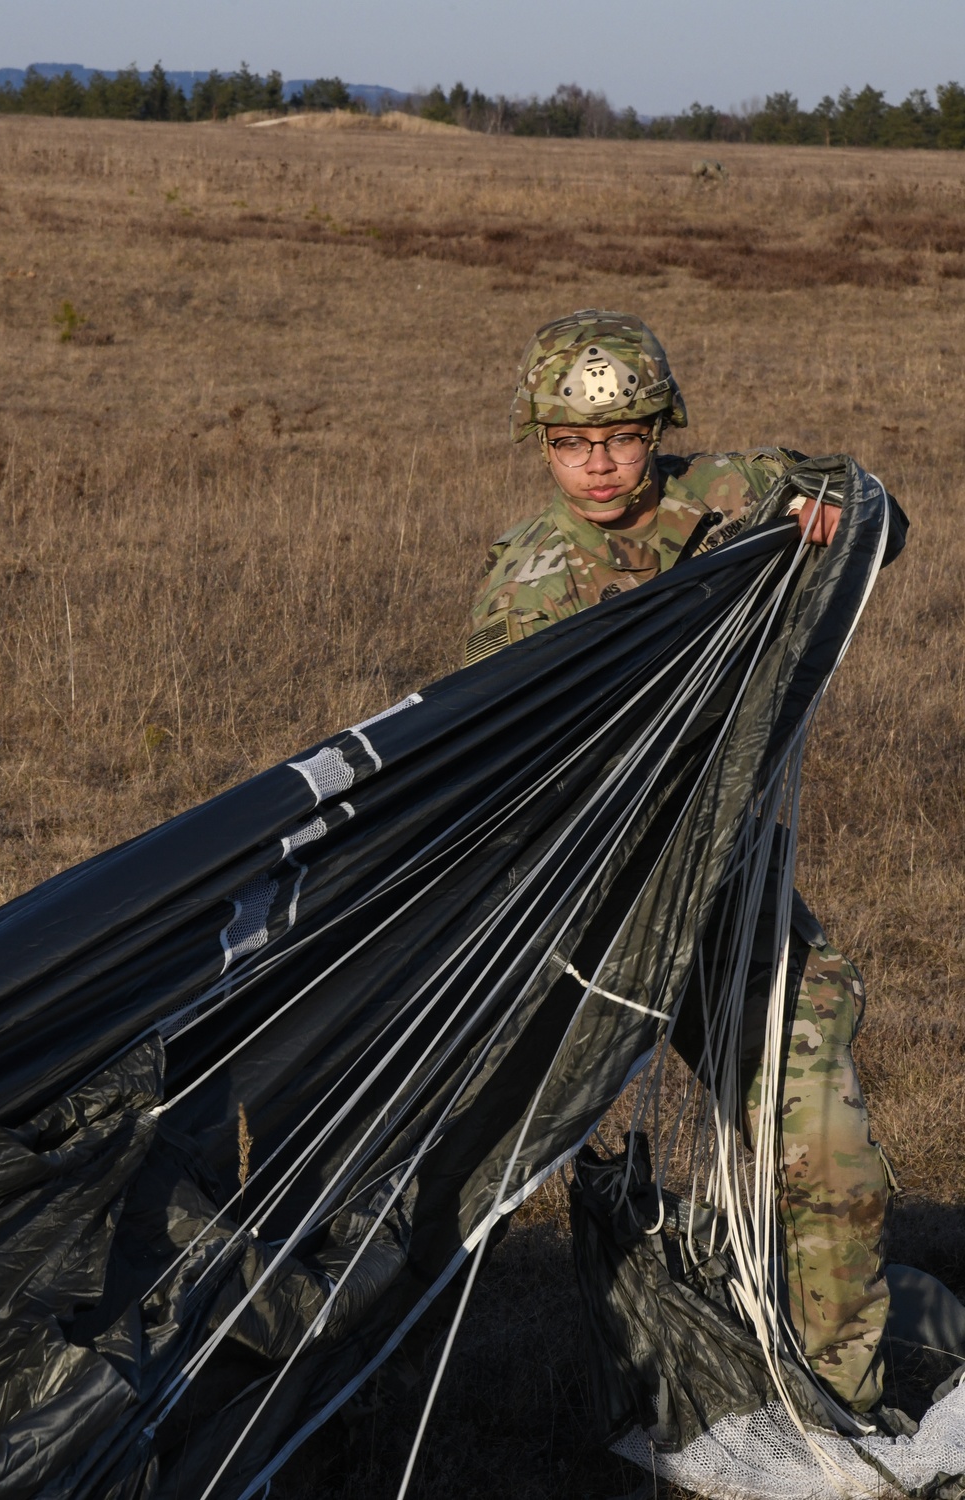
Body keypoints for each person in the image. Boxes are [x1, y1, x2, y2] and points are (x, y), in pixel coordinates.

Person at [465, 309, 895, 1415]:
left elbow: (875, 518)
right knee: (463, 1159)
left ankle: (839, 1398)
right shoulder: (524, 592)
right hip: (586, 916)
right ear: (540, 443)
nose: (598, 463)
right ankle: (351, 1381)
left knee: (823, 1138)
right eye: (568, 441)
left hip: (727, 895)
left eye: (620, 437)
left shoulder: (726, 496)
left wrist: (822, 512)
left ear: (658, 430)